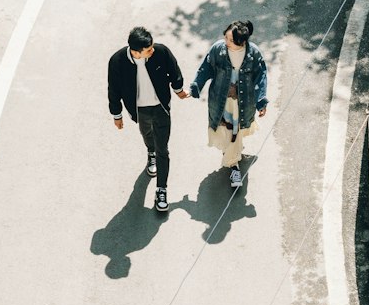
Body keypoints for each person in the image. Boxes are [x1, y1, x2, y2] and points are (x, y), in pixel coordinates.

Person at [107, 26, 187, 213]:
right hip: (139, 110)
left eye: (152, 47)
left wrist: (178, 90)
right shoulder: (117, 61)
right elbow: (113, 89)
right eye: (148, 50)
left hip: (160, 108)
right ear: (136, 52)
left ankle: (161, 190)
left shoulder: (160, 52)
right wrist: (116, 115)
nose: (153, 50)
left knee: (163, 149)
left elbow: (173, 70)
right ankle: (150, 152)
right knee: (147, 135)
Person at [189, 20, 268, 189]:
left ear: (242, 42)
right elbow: (206, 68)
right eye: (226, 37)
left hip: (243, 102)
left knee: (235, 130)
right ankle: (233, 155)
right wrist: (196, 85)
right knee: (226, 128)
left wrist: (261, 100)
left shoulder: (253, 54)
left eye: (230, 40)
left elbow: (261, 77)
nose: (226, 42)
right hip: (221, 100)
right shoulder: (218, 49)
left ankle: (234, 164)